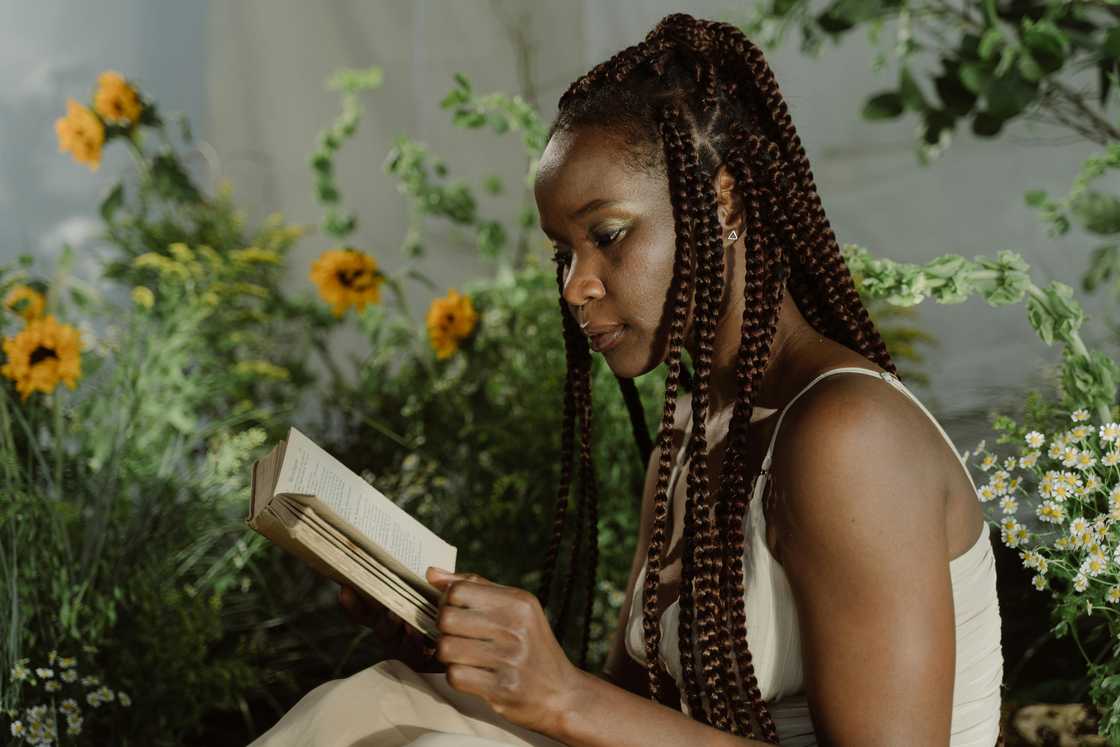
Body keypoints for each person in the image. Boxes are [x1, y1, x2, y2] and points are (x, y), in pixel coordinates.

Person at [249, 12, 1004, 747]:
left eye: (606, 237)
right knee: (378, 701)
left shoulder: (848, 437)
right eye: (563, 253)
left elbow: (587, 711)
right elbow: (632, 721)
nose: (576, 285)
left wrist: (564, 695)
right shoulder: (687, 440)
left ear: (724, 200)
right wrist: (463, 651)